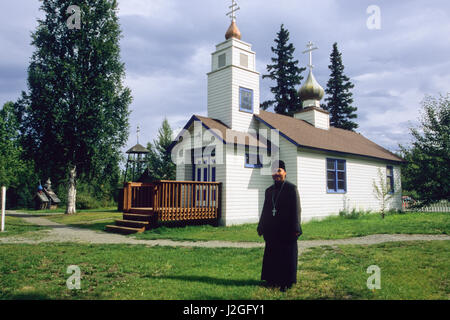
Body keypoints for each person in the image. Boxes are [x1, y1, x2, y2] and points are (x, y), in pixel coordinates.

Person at [257, 160, 302, 291]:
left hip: (287, 229)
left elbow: (297, 210)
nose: (276, 174)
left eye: (279, 171)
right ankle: (272, 280)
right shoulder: (269, 191)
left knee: (286, 255)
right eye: (273, 171)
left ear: (285, 172)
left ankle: (286, 282)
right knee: (272, 255)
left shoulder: (291, 189)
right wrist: (261, 226)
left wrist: (296, 228)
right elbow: (265, 209)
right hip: (272, 230)